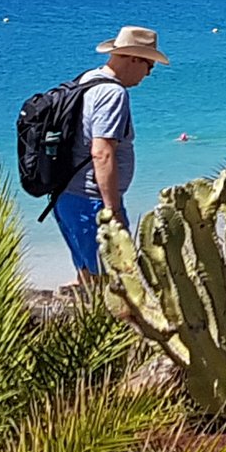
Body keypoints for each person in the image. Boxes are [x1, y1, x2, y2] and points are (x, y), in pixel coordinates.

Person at [54, 25, 169, 282]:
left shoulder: (86, 79)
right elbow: (102, 152)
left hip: (66, 196)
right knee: (117, 282)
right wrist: (112, 210)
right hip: (92, 201)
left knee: (88, 277)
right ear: (134, 58)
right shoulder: (113, 93)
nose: (149, 74)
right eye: (149, 66)